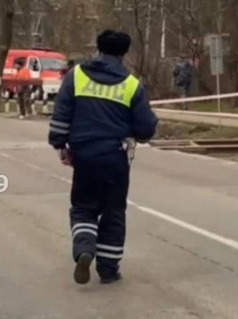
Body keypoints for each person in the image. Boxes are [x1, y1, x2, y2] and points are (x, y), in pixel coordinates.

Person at [49, 29, 158, 285]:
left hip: (84, 155)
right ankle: (108, 270)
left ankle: (85, 248)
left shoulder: (76, 76)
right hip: (116, 157)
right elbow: (145, 129)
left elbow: (62, 113)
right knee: (113, 212)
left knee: (83, 208)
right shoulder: (132, 84)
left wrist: (60, 144)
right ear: (124, 53)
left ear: (98, 49)